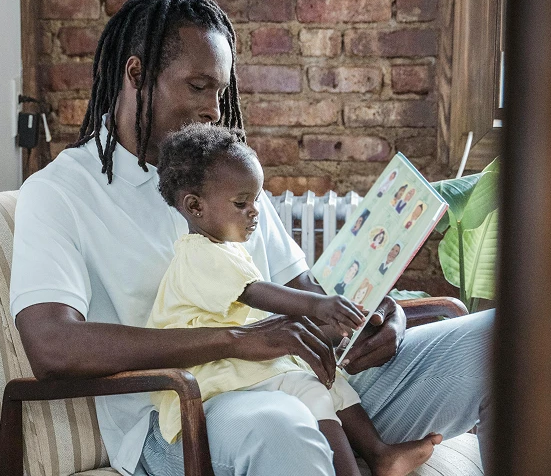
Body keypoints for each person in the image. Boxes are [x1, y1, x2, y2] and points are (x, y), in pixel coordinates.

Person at [10, 0, 494, 476]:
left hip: (307, 385)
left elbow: (307, 297)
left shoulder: (226, 177)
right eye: (198, 87)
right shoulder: (60, 193)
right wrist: (236, 339)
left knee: (511, 337)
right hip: (187, 413)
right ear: (136, 74)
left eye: (219, 90)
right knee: (281, 425)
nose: (215, 110)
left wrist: (376, 315)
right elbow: (52, 345)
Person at [147, 124, 442, 476]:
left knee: (329, 380)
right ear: (194, 206)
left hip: (239, 365)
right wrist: (319, 305)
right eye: (241, 203)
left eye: (256, 200)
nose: (254, 211)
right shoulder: (199, 253)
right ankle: (365, 461)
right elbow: (256, 292)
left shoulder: (226, 249)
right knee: (312, 387)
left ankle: (378, 453)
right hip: (213, 374)